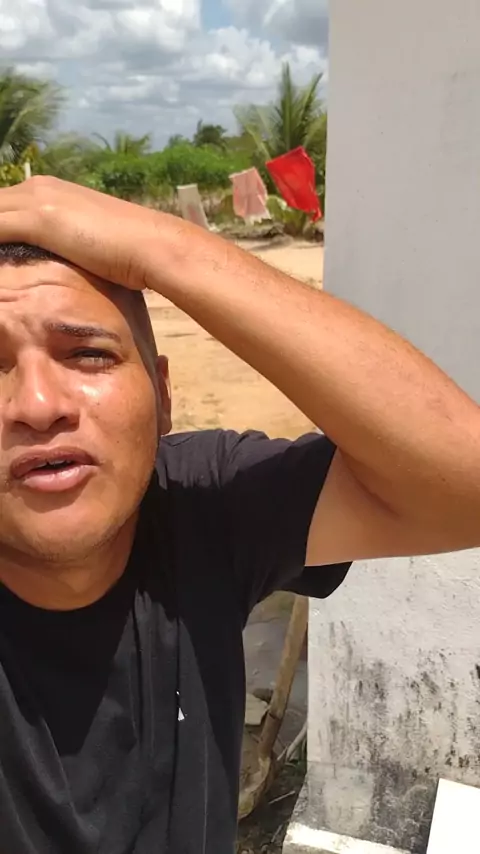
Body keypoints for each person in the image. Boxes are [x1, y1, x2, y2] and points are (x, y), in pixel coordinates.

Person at [0, 177, 477, 854]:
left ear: (163, 396)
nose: (38, 404)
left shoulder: (202, 503)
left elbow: (464, 486)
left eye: (88, 354)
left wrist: (164, 248)